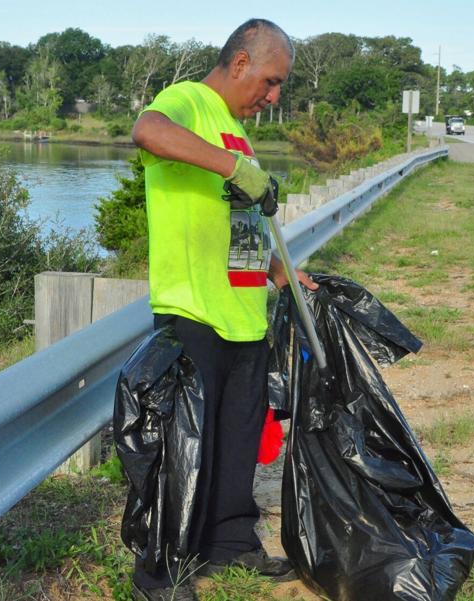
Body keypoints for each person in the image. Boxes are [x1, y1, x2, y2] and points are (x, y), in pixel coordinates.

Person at [129, 18, 317, 601]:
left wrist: (277, 272)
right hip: (194, 311)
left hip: (242, 313)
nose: (274, 96)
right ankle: (159, 572)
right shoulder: (187, 101)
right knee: (182, 442)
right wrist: (234, 166)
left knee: (235, 440)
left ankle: (231, 543)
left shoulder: (235, 128)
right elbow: (148, 131)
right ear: (239, 64)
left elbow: (234, 224)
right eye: (270, 81)